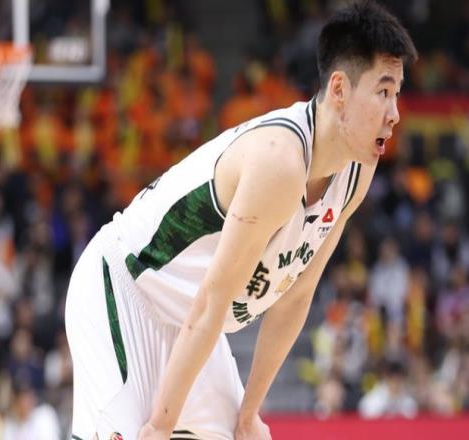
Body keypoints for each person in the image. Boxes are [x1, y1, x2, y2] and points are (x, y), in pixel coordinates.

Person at [65, 1, 417, 439]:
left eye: (397, 94)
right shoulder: (280, 161)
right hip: (125, 289)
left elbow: (296, 296)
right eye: (383, 92)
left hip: (190, 320)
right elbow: (213, 300)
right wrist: (160, 426)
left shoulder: (357, 171)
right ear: (340, 89)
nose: (394, 113)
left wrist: (249, 413)